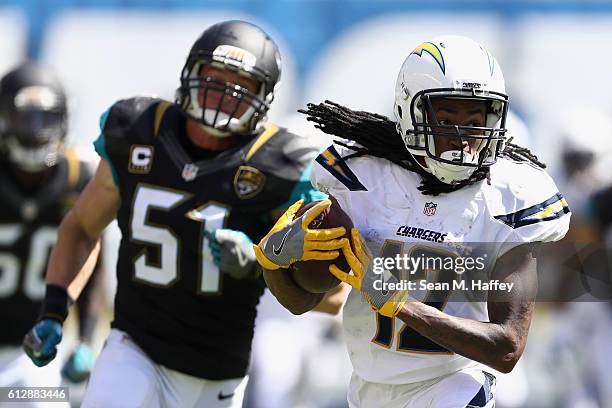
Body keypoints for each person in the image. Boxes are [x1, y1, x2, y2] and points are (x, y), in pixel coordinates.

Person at [23, 20, 329, 408]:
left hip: (218, 372)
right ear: (191, 73)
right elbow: (83, 227)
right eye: (214, 78)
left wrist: (262, 260)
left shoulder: (282, 165)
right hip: (134, 346)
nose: (221, 95)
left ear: (263, 97)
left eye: (239, 88)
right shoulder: (137, 129)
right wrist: (54, 308)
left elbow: (328, 293)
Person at [255, 35, 571, 407]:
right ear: (410, 113)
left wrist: (401, 303)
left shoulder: (511, 196)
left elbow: (507, 347)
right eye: (447, 119)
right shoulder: (364, 178)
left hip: (454, 382)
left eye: (475, 121)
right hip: (368, 385)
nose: (462, 138)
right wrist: (273, 263)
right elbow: (300, 302)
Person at [0, 62, 101, 405]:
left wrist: (85, 340)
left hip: (32, 354)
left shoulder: (77, 177)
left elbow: (90, 264)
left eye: (45, 118)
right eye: (24, 119)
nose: (35, 130)